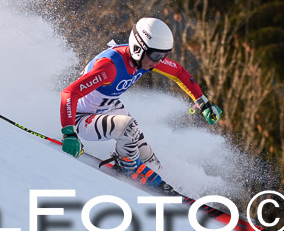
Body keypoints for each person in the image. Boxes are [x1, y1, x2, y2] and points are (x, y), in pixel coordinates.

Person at [59, 17, 222, 186]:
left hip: (109, 106)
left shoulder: (147, 58)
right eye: (157, 55)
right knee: (128, 128)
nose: (160, 60)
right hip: (81, 118)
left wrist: (203, 102)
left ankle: (165, 181)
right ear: (138, 47)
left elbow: (179, 73)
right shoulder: (110, 66)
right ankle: (129, 170)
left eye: (164, 55)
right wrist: (69, 133)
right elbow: (69, 93)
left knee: (146, 154)